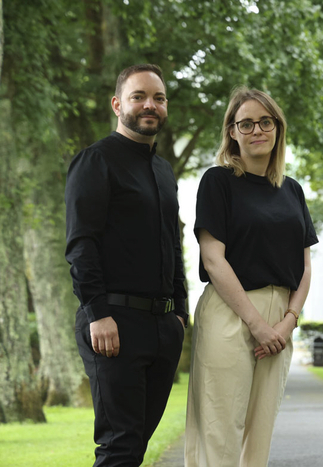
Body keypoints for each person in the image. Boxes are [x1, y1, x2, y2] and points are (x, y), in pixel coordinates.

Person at [185, 87, 317, 467]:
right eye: (246, 123)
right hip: (231, 311)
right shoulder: (218, 182)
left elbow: (305, 266)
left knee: (260, 433)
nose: (257, 129)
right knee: (219, 429)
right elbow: (213, 259)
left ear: (277, 128)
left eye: (265, 121)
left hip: (281, 318)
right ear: (232, 132)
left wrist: (289, 321)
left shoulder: (291, 190)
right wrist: (257, 324)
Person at [65, 63, 187, 466]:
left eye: (159, 97)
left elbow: (173, 243)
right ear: (118, 104)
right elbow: (81, 244)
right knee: (119, 447)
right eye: (139, 97)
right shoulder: (94, 161)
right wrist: (97, 313)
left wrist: (180, 314)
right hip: (111, 325)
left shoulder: (163, 170)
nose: (150, 105)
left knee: (133, 448)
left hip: (161, 328)